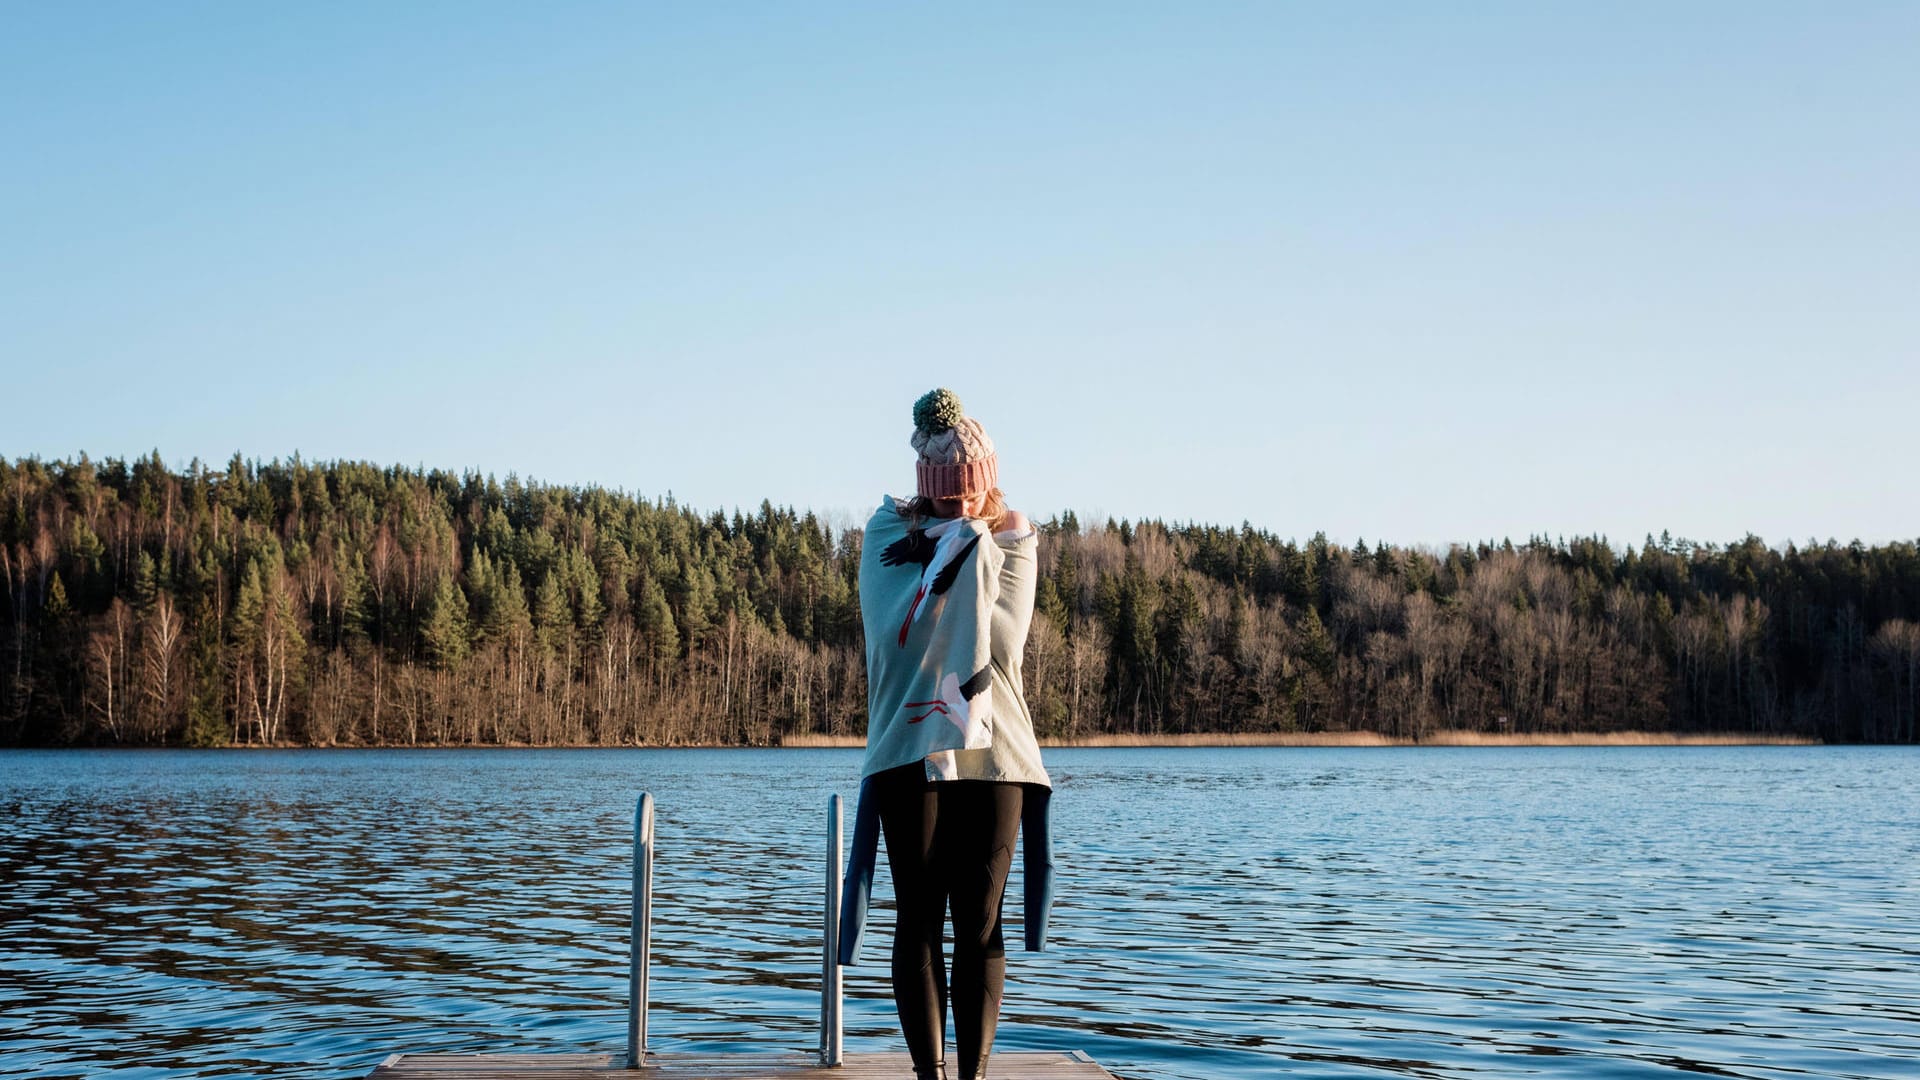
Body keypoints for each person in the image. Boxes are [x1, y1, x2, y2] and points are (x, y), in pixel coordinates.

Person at [837, 388, 1055, 1080]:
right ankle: (928, 1077)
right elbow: (903, 641)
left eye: (970, 495)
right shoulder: (884, 538)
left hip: (998, 754)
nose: (959, 507)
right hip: (911, 743)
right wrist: (942, 547)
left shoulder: (1014, 541)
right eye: (945, 497)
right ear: (924, 490)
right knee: (920, 919)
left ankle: (975, 1075)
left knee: (980, 924)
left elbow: (997, 640)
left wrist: (962, 544)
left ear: (988, 484)